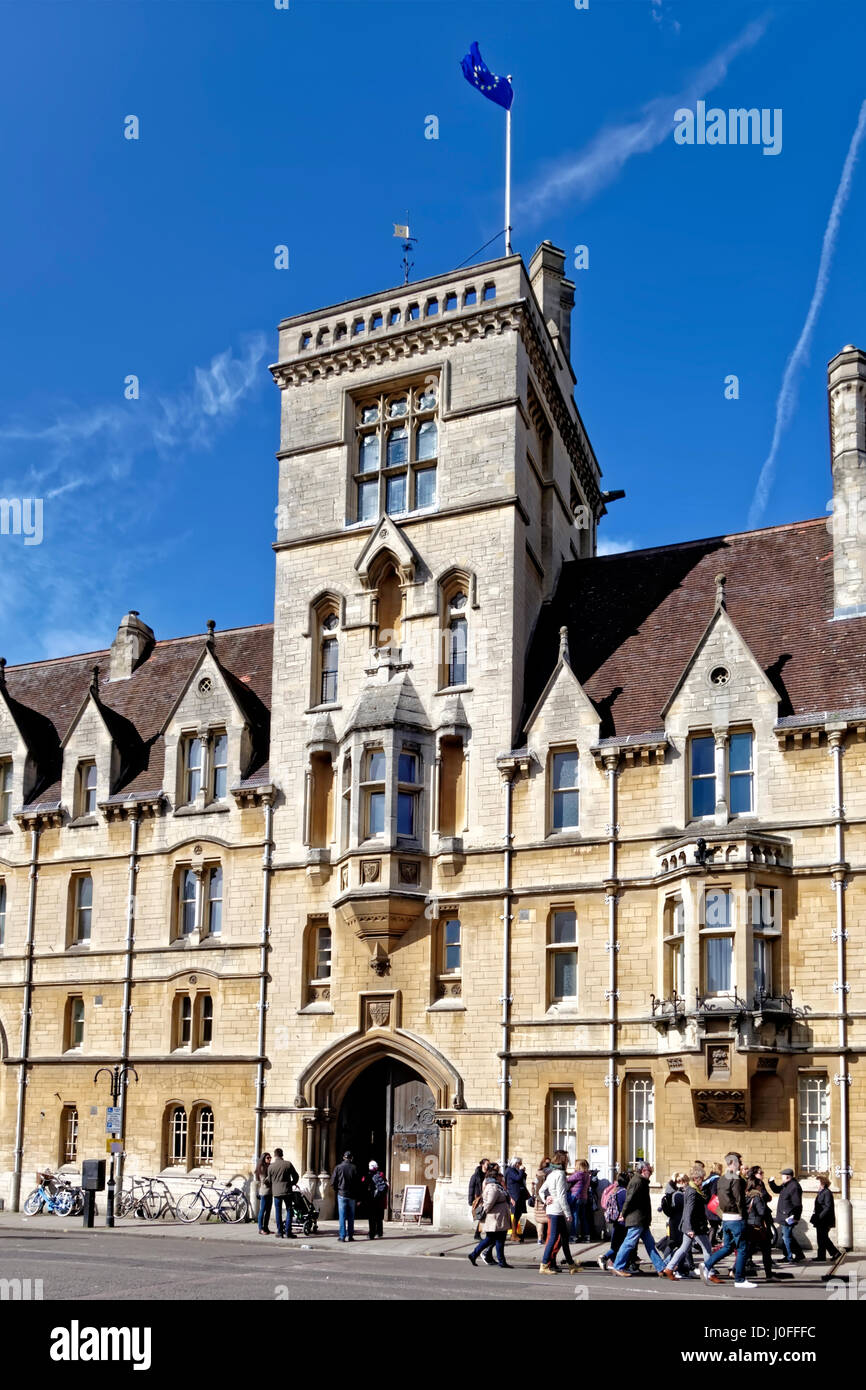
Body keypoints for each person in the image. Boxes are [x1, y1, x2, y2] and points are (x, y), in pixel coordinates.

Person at [700, 1152, 754, 1288]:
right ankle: (740, 1279)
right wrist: (744, 1214)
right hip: (736, 1217)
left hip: (726, 1217)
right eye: (739, 1163)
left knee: (728, 1247)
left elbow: (720, 1198)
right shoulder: (734, 1178)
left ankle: (706, 1265)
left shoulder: (723, 1178)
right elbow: (738, 1199)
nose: (741, 1165)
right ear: (734, 1163)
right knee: (742, 1248)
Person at [611, 1162, 667, 1276]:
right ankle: (618, 1266)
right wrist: (623, 1213)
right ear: (643, 1170)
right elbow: (629, 1199)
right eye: (649, 1171)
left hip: (642, 1220)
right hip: (636, 1219)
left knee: (650, 1244)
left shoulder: (642, 1181)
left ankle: (660, 1268)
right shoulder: (637, 1182)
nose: (651, 1173)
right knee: (629, 1243)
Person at [538, 1150, 581, 1274]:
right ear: (563, 1161)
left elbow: (541, 1190)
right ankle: (544, 1264)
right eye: (567, 1159)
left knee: (564, 1238)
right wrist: (568, 1213)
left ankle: (571, 1265)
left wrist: (545, 1199)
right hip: (557, 1210)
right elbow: (562, 1196)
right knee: (553, 1238)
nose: (568, 1161)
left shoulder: (552, 1173)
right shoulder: (560, 1174)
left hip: (554, 1209)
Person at [663, 1168, 712, 1279]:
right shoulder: (692, 1191)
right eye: (702, 1179)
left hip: (691, 1225)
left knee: (683, 1249)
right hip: (695, 1226)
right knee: (707, 1248)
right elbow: (688, 1210)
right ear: (696, 1179)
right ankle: (709, 1272)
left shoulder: (695, 1190)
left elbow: (703, 1201)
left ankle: (669, 1268)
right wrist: (689, 1228)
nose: (703, 1180)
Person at [467, 1163, 512, 1268]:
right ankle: (475, 1254)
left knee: (495, 1239)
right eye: (499, 1175)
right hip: (495, 1218)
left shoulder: (497, 1186)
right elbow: (489, 1203)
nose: (501, 1177)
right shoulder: (492, 1187)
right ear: (494, 1176)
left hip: (499, 1217)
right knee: (494, 1239)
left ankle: (476, 1255)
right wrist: (484, 1213)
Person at [743, 1165, 781, 1282]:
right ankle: (768, 1275)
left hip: (750, 1225)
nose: (761, 1188)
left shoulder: (746, 1195)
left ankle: (735, 1270)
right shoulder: (757, 1197)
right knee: (765, 1250)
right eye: (760, 1186)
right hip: (758, 1226)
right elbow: (761, 1211)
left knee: (749, 1250)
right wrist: (763, 1203)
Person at [769, 1168, 805, 1263]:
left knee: (786, 1237)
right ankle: (799, 1254)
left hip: (788, 1216)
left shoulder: (794, 1187)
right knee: (788, 1236)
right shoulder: (786, 1185)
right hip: (784, 1216)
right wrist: (771, 1183)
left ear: (787, 1176)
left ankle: (789, 1257)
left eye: (782, 1176)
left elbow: (797, 1204)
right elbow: (777, 1190)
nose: (781, 1177)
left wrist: (796, 1217)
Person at [597, 1171, 629, 1270]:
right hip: (622, 1222)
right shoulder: (624, 1193)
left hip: (615, 1221)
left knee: (616, 1244)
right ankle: (604, 1257)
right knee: (621, 1245)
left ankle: (612, 1263)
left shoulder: (616, 1190)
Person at [268, 1148, 299, 1239]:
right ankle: (288, 1232)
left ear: (274, 1155)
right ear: (282, 1155)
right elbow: (296, 1176)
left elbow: (269, 1180)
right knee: (289, 1210)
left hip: (277, 1193)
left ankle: (280, 1232)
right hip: (287, 1191)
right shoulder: (288, 1164)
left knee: (278, 1211)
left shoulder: (271, 1167)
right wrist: (292, 1183)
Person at [330, 1150, 360, 1242]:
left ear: (344, 1157)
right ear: (351, 1158)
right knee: (351, 1216)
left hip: (341, 1194)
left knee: (342, 1216)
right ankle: (350, 1236)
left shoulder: (338, 1168)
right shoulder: (354, 1168)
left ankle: (342, 1236)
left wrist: (338, 1190)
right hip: (351, 1195)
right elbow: (358, 1183)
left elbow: (332, 1182)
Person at [810, 1174, 841, 1263]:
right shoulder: (821, 1192)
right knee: (821, 1238)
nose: (817, 1185)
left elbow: (828, 1207)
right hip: (820, 1219)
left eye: (818, 1183)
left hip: (824, 1220)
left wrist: (819, 1216)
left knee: (823, 1238)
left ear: (823, 1183)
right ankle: (821, 1256)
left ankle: (835, 1252)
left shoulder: (827, 1192)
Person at [504, 1157, 531, 1242]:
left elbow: (521, 1179)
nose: (521, 1165)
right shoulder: (510, 1170)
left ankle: (515, 1233)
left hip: (520, 1195)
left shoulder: (515, 1170)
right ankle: (513, 1234)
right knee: (515, 1214)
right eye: (520, 1163)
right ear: (516, 1163)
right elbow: (517, 1178)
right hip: (514, 1195)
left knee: (518, 1214)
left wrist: (522, 1172)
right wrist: (522, 1171)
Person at [567, 1158, 592, 1241]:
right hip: (584, 1198)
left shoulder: (578, 1174)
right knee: (583, 1217)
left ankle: (573, 1236)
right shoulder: (587, 1175)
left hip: (576, 1198)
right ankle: (586, 1235)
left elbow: (567, 1179)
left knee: (575, 1217)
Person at [364, 1160, 389, 1240]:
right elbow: (386, 1185)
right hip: (380, 1200)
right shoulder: (381, 1174)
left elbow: (363, 1185)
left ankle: (371, 1233)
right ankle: (379, 1232)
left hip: (371, 1199)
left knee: (371, 1217)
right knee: (379, 1217)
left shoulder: (367, 1176)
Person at [468, 1158, 489, 1238]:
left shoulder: (488, 1174)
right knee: (482, 1216)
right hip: (479, 1198)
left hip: (486, 1197)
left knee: (484, 1216)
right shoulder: (476, 1176)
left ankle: (478, 1234)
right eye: (487, 1164)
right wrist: (470, 1201)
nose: (488, 1166)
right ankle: (478, 1234)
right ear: (482, 1164)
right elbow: (471, 1188)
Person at [532, 1158, 551, 1248]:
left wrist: (534, 1195)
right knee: (549, 1220)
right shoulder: (550, 1174)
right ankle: (549, 1238)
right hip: (548, 1199)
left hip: (538, 1200)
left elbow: (533, 1186)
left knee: (540, 1221)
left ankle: (539, 1238)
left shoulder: (537, 1174)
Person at [254, 1151, 272, 1235]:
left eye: (270, 1158)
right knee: (263, 1210)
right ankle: (260, 1228)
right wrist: (272, 1176)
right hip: (264, 1192)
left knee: (268, 1211)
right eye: (268, 1158)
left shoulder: (269, 1167)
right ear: (264, 1159)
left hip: (270, 1192)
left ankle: (266, 1227)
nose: (269, 1159)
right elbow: (264, 1180)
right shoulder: (261, 1167)